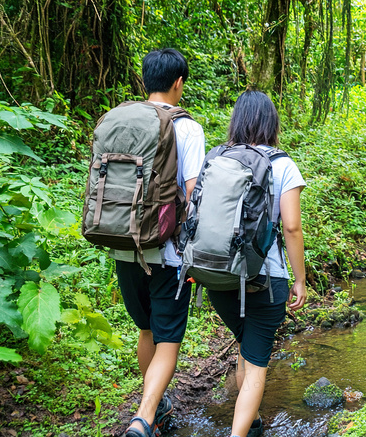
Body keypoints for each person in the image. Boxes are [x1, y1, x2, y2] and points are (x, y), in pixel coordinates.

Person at [113, 48, 206, 437]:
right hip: (167, 252)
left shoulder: (120, 119)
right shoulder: (187, 128)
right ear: (178, 82)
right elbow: (194, 194)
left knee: (146, 330)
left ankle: (155, 403)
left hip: (122, 244)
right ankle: (144, 417)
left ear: (145, 80)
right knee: (168, 337)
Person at [207, 90, 307, 437]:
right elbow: (291, 227)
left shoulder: (216, 158)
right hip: (266, 279)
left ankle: (252, 421)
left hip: (218, 275)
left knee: (246, 350)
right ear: (271, 122)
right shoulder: (282, 165)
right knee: (257, 365)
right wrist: (300, 279)